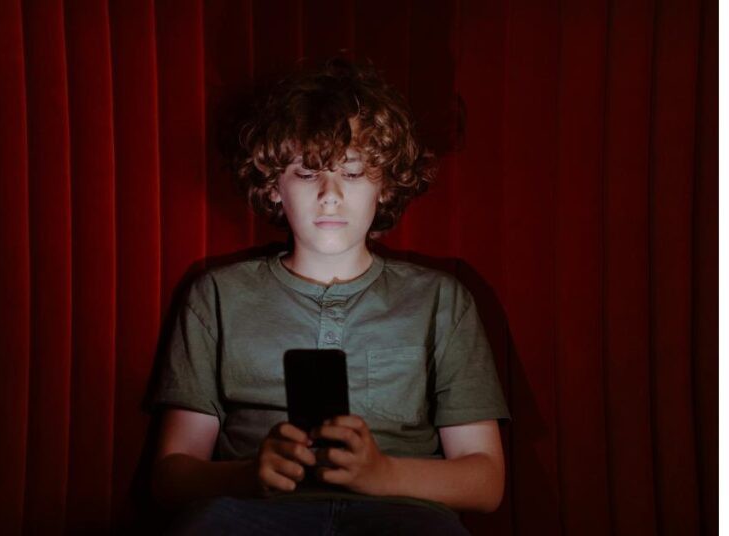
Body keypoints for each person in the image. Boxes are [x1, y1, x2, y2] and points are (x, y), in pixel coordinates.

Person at [149, 59, 510, 535]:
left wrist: (383, 474)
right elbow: (171, 474)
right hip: (249, 513)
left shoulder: (441, 300)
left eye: (354, 173)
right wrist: (248, 474)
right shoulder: (217, 295)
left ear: (384, 186)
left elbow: (485, 481)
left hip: (401, 515)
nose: (330, 195)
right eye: (306, 173)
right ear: (273, 186)